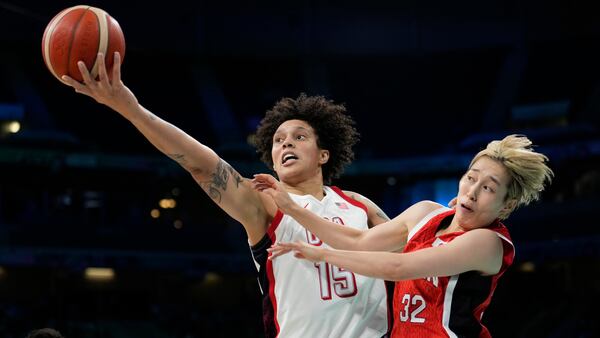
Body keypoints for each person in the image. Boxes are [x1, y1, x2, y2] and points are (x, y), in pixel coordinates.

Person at [61, 53, 391, 337]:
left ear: (324, 154)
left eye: (299, 136)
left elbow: (413, 255)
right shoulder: (264, 200)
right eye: (278, 140)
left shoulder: (360, 206)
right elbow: (202, 165)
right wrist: (132, 109)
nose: (286, 143)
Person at [253, 134, 553, 337]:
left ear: (507, 205)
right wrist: (293, 208)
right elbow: (359, 241)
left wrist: (322, 254)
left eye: (487, 188)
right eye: (471, 179)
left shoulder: (487, 243)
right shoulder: (426, 211)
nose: (472, 192)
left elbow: (398, 268)